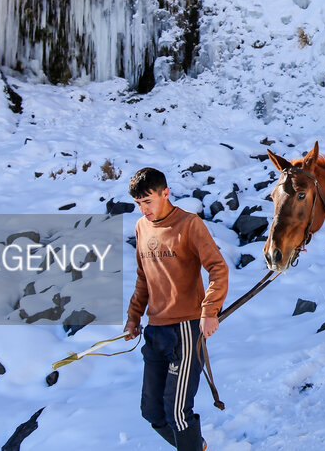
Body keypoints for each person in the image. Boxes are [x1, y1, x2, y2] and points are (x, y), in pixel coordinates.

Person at [124, 168, 229, 451]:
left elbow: (218, 268)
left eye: (148, 201)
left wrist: (210, 310)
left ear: (165, 193)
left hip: (185, 330)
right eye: (138, 203)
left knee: (178, 414)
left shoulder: (189, 224)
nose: (143, 209)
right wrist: (133, 317)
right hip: (155, 331)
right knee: (152, 411)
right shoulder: (141, 227)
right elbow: (143, 277)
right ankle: (195, 447)